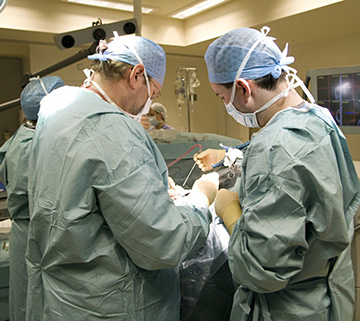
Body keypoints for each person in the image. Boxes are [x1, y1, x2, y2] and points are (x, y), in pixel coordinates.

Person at [25, 35, 218, 321]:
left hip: (64, 299)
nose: (150, 101)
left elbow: (82, 185)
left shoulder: (58, 109)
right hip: (111, 304)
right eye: (153, 91)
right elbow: (163, 243)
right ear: (136, 75)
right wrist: (202, 197)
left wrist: (143, 185)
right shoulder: (113, 130)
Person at [196, 26, 360, 320]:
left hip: (288, 307)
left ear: (244, 89)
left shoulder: (274, 147)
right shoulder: (320, 118)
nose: (226, 105)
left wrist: (229, 210)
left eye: (222, 97)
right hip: (327, 295)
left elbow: (260, 270)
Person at [0, 76, 65, 321]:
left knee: (26, 302)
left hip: (26, 236)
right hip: (37, 236)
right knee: (37, 304)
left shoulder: (22, 137)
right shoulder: (35, 147)